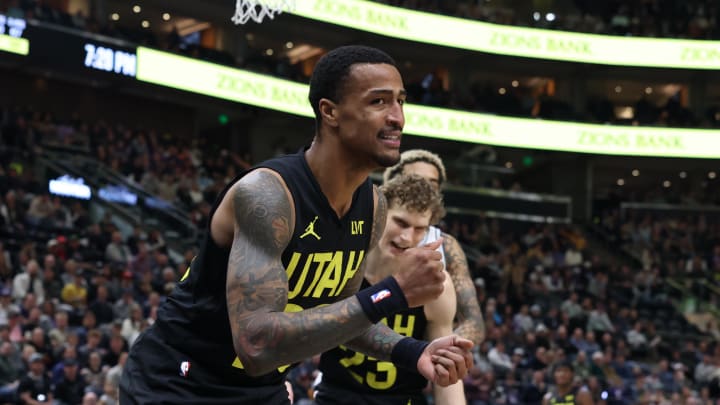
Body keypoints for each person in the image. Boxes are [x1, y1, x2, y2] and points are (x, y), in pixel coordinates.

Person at [120, 45, 473, 404]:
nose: (397, 117)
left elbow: (341, 312)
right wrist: (393, 293)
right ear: (330, 111)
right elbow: (256, 345)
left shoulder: (372, 206)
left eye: (400, 101)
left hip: (259, 391)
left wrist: (412, 352)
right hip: (179, 383)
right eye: (378, 102)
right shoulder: (269, 196)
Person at [315, 174, 465, 405]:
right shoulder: (341, 262)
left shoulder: (436, 284)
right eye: (401, 223)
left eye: (420, 229)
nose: (407, 237)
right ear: (379, 214)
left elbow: (445, 375)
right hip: (335, 397)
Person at [383, 149, 485, 344]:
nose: (424, 189)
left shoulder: (447, 246)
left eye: (432, 183)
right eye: (416, 179)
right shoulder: (362, 229)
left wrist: (443, 347)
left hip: (417, 358)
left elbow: (474, 321)